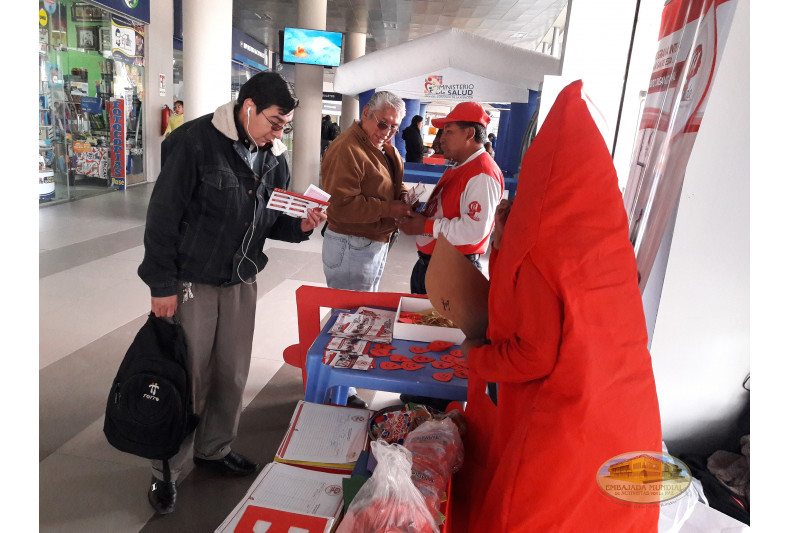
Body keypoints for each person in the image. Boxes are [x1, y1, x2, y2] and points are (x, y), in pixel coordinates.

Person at [449, 81, 661, 532]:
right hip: (623, 413)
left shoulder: (541, 249)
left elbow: (534, 354)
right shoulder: (600, 233)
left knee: (533, 509)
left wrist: (477, 356)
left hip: (567, 421)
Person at [138, 72, 326, 515]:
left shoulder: (272, 156)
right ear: (248, 107)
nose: (280, 132)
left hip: (240, 281)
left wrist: (300, 224)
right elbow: (162, 217)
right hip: (191, 282)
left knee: (232, 373)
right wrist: (161, 285)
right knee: (188, 377)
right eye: (276, 121)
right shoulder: (195, 143)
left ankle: (215, 450)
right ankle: (165, 468)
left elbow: (271, 219)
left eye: (286, 125)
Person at [396, 101, 504, 295]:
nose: (441, 139)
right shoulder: (459, 166)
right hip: (433, 267)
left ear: (469, 133)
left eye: (448, 131)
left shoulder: (482, 174)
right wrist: (418, 215)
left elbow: (475, 230)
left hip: (453, 272)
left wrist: (425, 226)